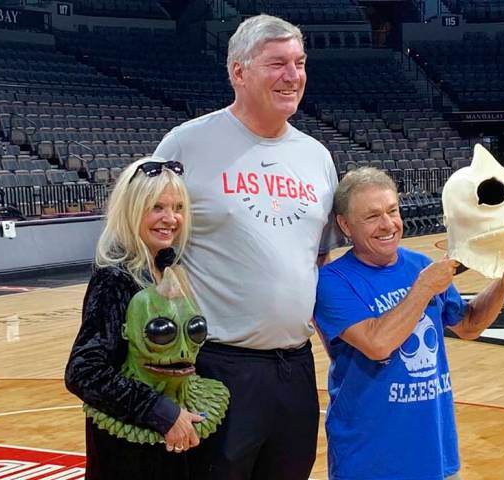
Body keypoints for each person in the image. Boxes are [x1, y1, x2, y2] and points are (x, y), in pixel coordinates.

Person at [153, 13, 344, 480]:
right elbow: (144, 244)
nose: (293, 76)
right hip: (217, 363)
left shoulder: (317, 156)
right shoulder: (187, 144)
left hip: (295, 366)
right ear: (238, 71)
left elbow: (318, 258)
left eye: (299, 63)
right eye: (277, 63)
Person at [313, 167, 504, 480]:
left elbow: (469, 326)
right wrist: (422, 288)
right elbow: (377, 344)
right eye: (372, 216)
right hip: (370, 462)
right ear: (344, 224)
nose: (387, 224)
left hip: (437, 454)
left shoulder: (420, 266)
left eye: (392, 211)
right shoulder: (331, 282)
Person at [65, 157, 204, 480]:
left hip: (164, 446)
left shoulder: (167, 269)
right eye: (157, 207)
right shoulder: (115, 278)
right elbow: (83, 371)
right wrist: (158, 410)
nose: (171, 218)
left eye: (178, 207)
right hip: (127, 456)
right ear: (131, 210)